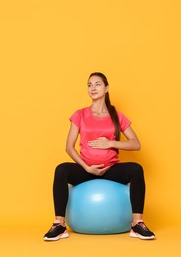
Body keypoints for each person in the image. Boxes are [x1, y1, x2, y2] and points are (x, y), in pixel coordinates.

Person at [43, 72, 155, 241]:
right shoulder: (80, 114)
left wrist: (110, 144)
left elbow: (135, 144)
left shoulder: (116, 116)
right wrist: (86, 167)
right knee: (61, 170)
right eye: (89, 85)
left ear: (106, 88)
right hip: (85, 169)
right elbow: (69, 147)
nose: (93, 88)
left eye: (97, 84)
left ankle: (137, 224)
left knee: (136, 169)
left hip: (111, 169)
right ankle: (59, 225)